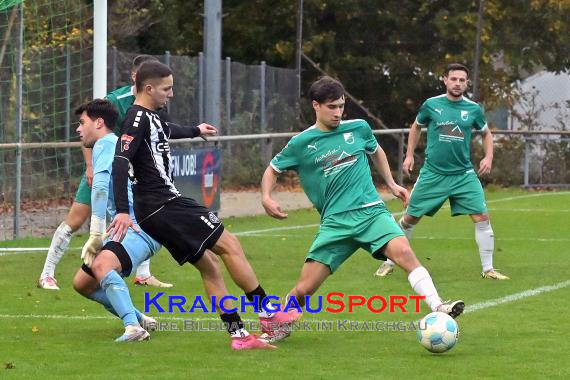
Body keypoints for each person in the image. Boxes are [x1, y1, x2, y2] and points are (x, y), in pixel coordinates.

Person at [108, 61, 297, 350]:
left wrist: (195, 130)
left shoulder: (150, 117)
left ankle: (239, 336)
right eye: (166, 89)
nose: (171, 94)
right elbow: (120, 162)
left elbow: (165, 130)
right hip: (163, 203)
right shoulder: (136, 119)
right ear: (148, 88)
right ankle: (268, 313)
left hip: (155, 210)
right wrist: (123, 210)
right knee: (230, 245)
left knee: (210, 267)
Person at [260, 76, 464, 343]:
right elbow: (272, 169)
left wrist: (391, 183)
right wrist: (266, 196)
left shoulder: (358, 128)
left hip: (371, 213)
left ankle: (438, 306)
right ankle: (280, 324)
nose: (338, 112)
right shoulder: (302, 143)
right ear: (316, 106)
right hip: (335, 223)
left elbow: (376, 150)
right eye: (331, 107)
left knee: (404, 253)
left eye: (341, 106)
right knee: (304, 288)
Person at [38, 55, 172, 290]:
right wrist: (90, 166)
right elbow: (88, 125)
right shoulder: (116, 100)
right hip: (102, 167)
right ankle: (47, 273)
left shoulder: (155, 103)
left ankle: (143, 273)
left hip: (130, 171)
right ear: (135, 78)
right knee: (76, 218)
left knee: (141, 214)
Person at [374, 63, 509, 280]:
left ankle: (488, 269)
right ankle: (389, 261)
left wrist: (488, 156)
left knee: (482, 217)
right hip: (433, 174)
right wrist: (409, 155)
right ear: (445, 80)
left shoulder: (473, 109)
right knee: (410, 218)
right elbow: (416, 127)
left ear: (467, 83)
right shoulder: (431, 105)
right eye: (453, 79)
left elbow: (486, 133)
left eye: (462, 80)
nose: (457, 83)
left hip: (463, 174)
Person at [71, 99, 160, 341]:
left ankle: (133, 328)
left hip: (140, 225)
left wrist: (96, 234)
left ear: (99, 123)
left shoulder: (106, 143)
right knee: (83, 283)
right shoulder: (115, 144)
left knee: (102, 266)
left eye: (82, 123)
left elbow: (99, 188)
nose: (78, 129)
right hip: (133, 225)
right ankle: (138, 317)